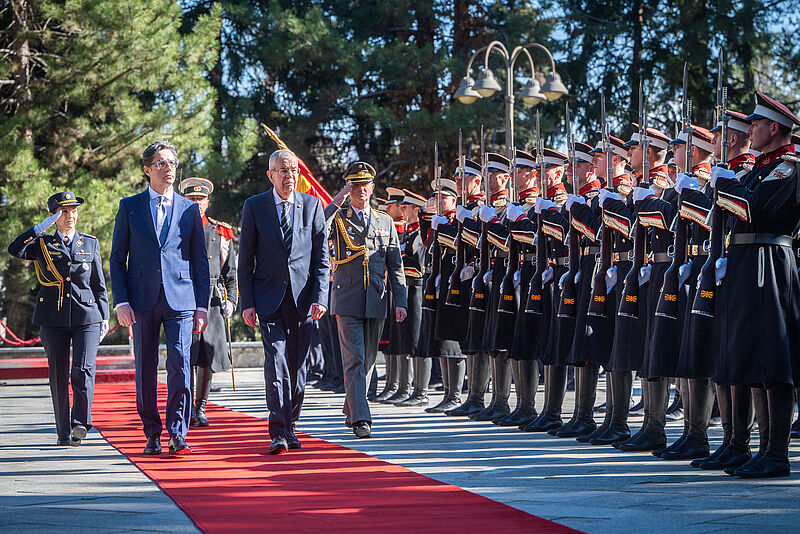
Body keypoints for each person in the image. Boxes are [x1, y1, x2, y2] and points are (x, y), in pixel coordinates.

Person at [714, 92, 800, 478]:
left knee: (773, 358)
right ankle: (752, 448)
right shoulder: (758, 169)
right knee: (751, 357)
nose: (749, 131)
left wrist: (726, 187)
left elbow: (756, 210)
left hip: (770, 261)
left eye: (755, 125)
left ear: (774, 128)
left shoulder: (788, 167)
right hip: (747, 262)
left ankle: (776, 453)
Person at [110, 140, 210, 456]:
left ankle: (178, 433)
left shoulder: (189, 209)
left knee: (180, 363)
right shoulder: (130, 206)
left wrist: (202, 305)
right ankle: (152, 432)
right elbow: (117, 258)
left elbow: (200, 261)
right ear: (147, 169)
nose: (168, 169)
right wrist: (121, 301)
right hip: (141, 300)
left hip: (181, 299)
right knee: (146, 367)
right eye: (161, 163)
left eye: (172, 163)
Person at [238, 149, 330, 454]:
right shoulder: (254, 206)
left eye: (293, 170)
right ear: (270, 175)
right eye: (282, 170)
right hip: (268, 299)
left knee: (297, 366)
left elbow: (321, 259)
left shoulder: (312, 205)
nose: (289, 176)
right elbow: (245, 260)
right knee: (276, 361)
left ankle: (290, 424)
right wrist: (247, 302)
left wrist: (320, 297)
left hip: (303, 300)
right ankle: (277, 431)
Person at [8, 192, 109, 446]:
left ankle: (80, 423)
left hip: (87, 315)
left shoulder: (89, 243)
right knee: (58, 374)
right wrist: (41, 227)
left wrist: (105, 315)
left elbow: (98, 285)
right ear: (55, 216)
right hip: (52, 318)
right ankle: (63, 431)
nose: (70, 216)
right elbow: (14, 249)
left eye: (73, 211)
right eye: (64, 212)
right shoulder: (43, 244)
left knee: (83, 369)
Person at [326, 161, 407, 438]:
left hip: (376, 297)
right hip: (346, 298)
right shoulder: (338, 217)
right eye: (355, 186)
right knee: (355, 359)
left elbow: (395, 264)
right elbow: (316, 230)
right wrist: (337, 201)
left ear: (373, 188)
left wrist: (401, 301)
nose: (361, 190)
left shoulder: (385, 221)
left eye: (365, 185)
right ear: (349, 188)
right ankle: (362, 419)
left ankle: (351, 408)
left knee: (369, 360)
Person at [177, 177, 238, 427]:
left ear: (207, 202)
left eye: (200, 199)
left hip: (212, 300)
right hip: (184, 296)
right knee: (185, 356)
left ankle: (200, 408)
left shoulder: (220, 232)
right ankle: (185, 406)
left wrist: (232, 301)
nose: (196, 203)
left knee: (207, 356)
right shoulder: (176, 228)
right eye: (191, 199)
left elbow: (231, 273)